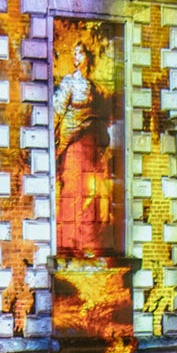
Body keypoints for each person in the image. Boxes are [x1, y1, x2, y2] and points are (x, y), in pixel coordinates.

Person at [53, 38, 120, 257]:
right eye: (74, 53)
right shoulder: (69, 83)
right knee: (75, 190)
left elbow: (104, 118)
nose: (76, 57)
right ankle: (70, 242)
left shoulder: (96, 87)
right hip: (74, 145)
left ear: (88, 57)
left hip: (92, 146)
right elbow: (57, 111)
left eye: (80, 52)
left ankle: (90, 242)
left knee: (93, 191)